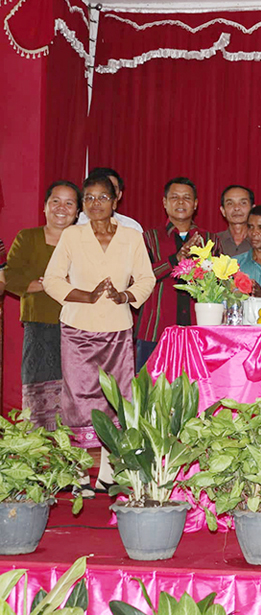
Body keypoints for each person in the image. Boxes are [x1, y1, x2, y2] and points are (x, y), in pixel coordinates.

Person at [43, 175, 155, 486]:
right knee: (78, 399)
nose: (96, 204)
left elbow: (146, 279)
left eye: (102, 197)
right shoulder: (72, 235)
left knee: (115, 398)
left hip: (118, 328)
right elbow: (52, 280)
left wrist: (126, 296)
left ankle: (107, 474)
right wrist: (85, 295)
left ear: (115, 201)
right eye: (89, 198)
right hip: (77, 327)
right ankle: (79, 474)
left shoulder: (131, 237)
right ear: (82, 204)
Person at [5, 181, 80, 430]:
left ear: (78, 211)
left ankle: (72, 443)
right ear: (45, 207)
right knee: (38, 389)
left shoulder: (85, 241)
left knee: (76, 389)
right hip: (39, 325)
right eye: (55, 201)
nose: (61, 208)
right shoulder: (27, 238)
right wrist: (48, 284)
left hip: (79, 327)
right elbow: (10, 277)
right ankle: (38, 442)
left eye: (69, 203)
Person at [136, 178, 221, 371]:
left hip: (199, 331)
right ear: (165, 202)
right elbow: (140, 277)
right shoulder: (149, 238)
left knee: (197, 386)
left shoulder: (210, 239)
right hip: (155, 330)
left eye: (187, 198)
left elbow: (220, 281)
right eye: (174, 197)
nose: (181, 202)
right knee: (150, 387)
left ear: (196, 204)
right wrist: (175, 260)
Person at [76, 167, 143, 232]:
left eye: (112, 188)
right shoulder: (75, 224)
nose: (97, 202)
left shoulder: (131, 227)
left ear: (119, 195)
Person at [216, 184, 254, 256]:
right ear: (223, 211)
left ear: (252, 209)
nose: (236, 208)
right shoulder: (213, 242)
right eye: (230, 203)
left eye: (243, 203)